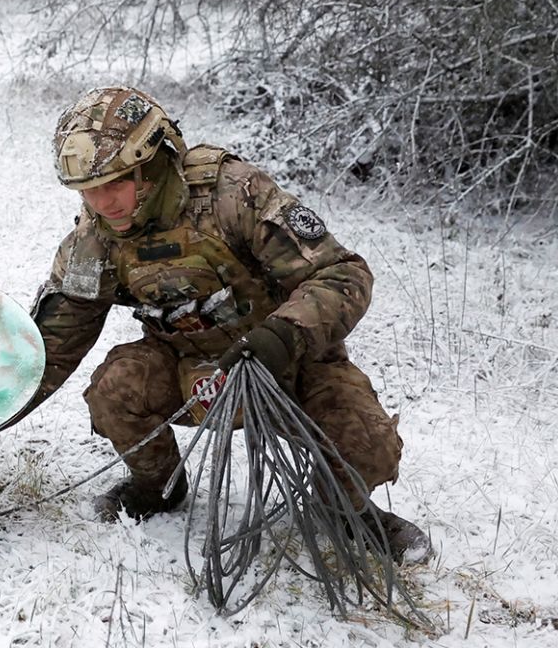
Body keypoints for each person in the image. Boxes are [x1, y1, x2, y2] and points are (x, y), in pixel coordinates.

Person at [26, 85, 431, 563]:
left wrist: (281, 336)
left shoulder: (232, 195)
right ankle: (157, 488)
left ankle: (344, 510)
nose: (102, 203)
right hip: (189, 369)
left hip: (287, 361)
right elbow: (52, 344)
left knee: (368, 444)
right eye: (88, 191)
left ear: (152, 164)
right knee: (116, 388)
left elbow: (343, 273)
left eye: (115, 183)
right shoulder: (94, 240)